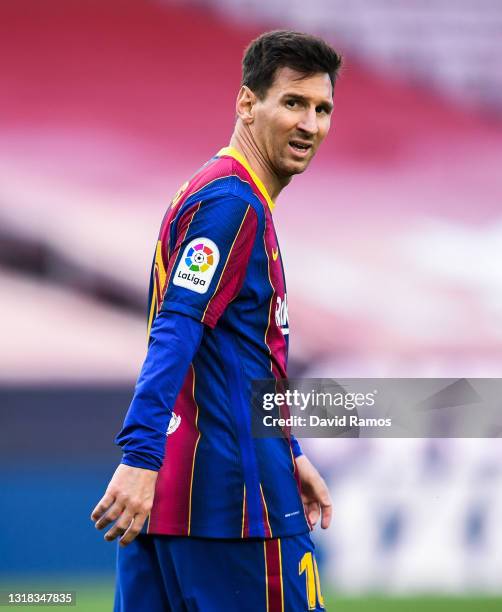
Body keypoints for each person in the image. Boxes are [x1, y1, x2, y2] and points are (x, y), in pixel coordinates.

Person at [91, 30, 342, 611]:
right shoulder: (234, 205)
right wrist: (138, 455)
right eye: (293, 103)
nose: (310, 124)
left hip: (169, 508)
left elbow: (229, 354)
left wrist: (289, 449)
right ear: (247, 104)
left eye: (322, 108)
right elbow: (175, 331)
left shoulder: (213, 191)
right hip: (235, 511)